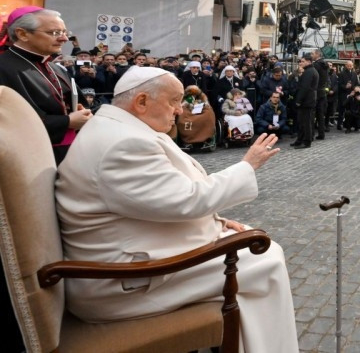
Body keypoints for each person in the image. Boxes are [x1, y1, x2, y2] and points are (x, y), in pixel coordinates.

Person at [55, 67, 298, 352]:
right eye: (173, 101)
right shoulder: (123, 144)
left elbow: (157, 199)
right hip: (123, 282)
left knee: (251, 245)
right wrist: (247, 165)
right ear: (141, 101)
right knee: (266, 259)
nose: (180, 110)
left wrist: (216, 222)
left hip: (133, 255)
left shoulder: (117, 128)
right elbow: (187, 200)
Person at [0, 7, 92, 164]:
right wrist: (66, 122)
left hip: (67, 152)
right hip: (26, 158)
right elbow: (9, 123)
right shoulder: (3, 67)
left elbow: (75, 103)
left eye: (65, 33)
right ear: (23, 34)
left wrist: (83, 113)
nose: (64, 39)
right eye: (55, 33)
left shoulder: (56, 68)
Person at [291, 54, 318, 149]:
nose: (300, 63)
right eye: (300, 61)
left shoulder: (309, 72)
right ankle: (300, 140)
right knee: (302, 122)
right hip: (307, 100)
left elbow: (305, 88)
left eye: (303, 61)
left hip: (307, 101)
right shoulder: (309, 71)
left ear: (309, 62)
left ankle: (307, 141)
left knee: (306, 122)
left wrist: (299, 100)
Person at [311, 49, 329, 140]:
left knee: (312, 114)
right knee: (320, 115)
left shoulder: (316, 65)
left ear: (317, 54)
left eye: (312, 53)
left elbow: (313, 78)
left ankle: (311, 134)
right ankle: (321, 134)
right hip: (322, 92)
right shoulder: (325, 64)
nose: (311, 55)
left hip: (316, 92)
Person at [337, 60, 359, 130]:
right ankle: (339, 124)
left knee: (351, 109)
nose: (350, 66)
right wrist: (345, 86)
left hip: (352, 93)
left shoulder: (354, 73)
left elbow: (356, 83)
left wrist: (355, 88)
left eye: (351, 65)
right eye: (348, 65)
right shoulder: (341, 73)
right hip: (344, 94)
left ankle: (350, 124)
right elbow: (339, 84)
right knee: (342, 110)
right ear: (345, 66)